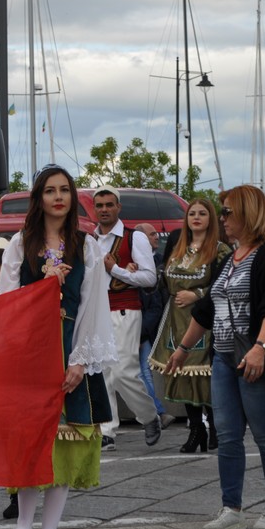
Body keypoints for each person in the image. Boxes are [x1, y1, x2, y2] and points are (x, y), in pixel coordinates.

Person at [0, 165, 115, 529]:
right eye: (50, 191)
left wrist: (81, 359)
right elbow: (5, 303)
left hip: (70, 349)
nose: (58, 197)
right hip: (30, 353)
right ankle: (21, 528)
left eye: (65, 190)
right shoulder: (19, 243)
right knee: (33, 445)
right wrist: (42, 285)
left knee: (65, 445)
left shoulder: (87, 247)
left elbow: (95, 304)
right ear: (39, 197)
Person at [166, 184, 265, 529]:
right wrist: (182, 349)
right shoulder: (231, 258)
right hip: (223, 357)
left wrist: (260, 348)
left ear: (248, 214)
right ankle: (231, 508)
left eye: (227, 212)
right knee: (228, 434)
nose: (222, 219)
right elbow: (207, 310)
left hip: (254, 358)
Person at [149, 199, 232, 452]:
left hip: (203, 318)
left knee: (204, 374)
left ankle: (215, 426)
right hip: (175, 317)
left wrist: (197, 295)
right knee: (182, 372)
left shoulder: (220, 250)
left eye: (202, 213)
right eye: (192, 213)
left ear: (212, 218)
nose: (196, 217)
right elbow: (163, 278)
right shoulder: (177, 245)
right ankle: (196, 429)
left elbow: (224, 284)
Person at [92, 185, 161, 450]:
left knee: (123, 372)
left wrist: (117, 270)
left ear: (118, 207)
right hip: (99, 310)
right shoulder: (91, 240)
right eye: (100, 205)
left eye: (109, 205)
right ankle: (107, 431)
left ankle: (149, 416)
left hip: (126, 308)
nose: (104, 210)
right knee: (102, 371)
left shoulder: (135, 238)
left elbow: (149, 277)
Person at [135, 222, 175, 430]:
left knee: (142, 372)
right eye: (152, 235)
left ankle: (156, 413)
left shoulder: (158, 265)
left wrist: (140, 333)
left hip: (143, 330)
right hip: (135, 326)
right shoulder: (134, 266)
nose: (157, 237)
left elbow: (155, 305)